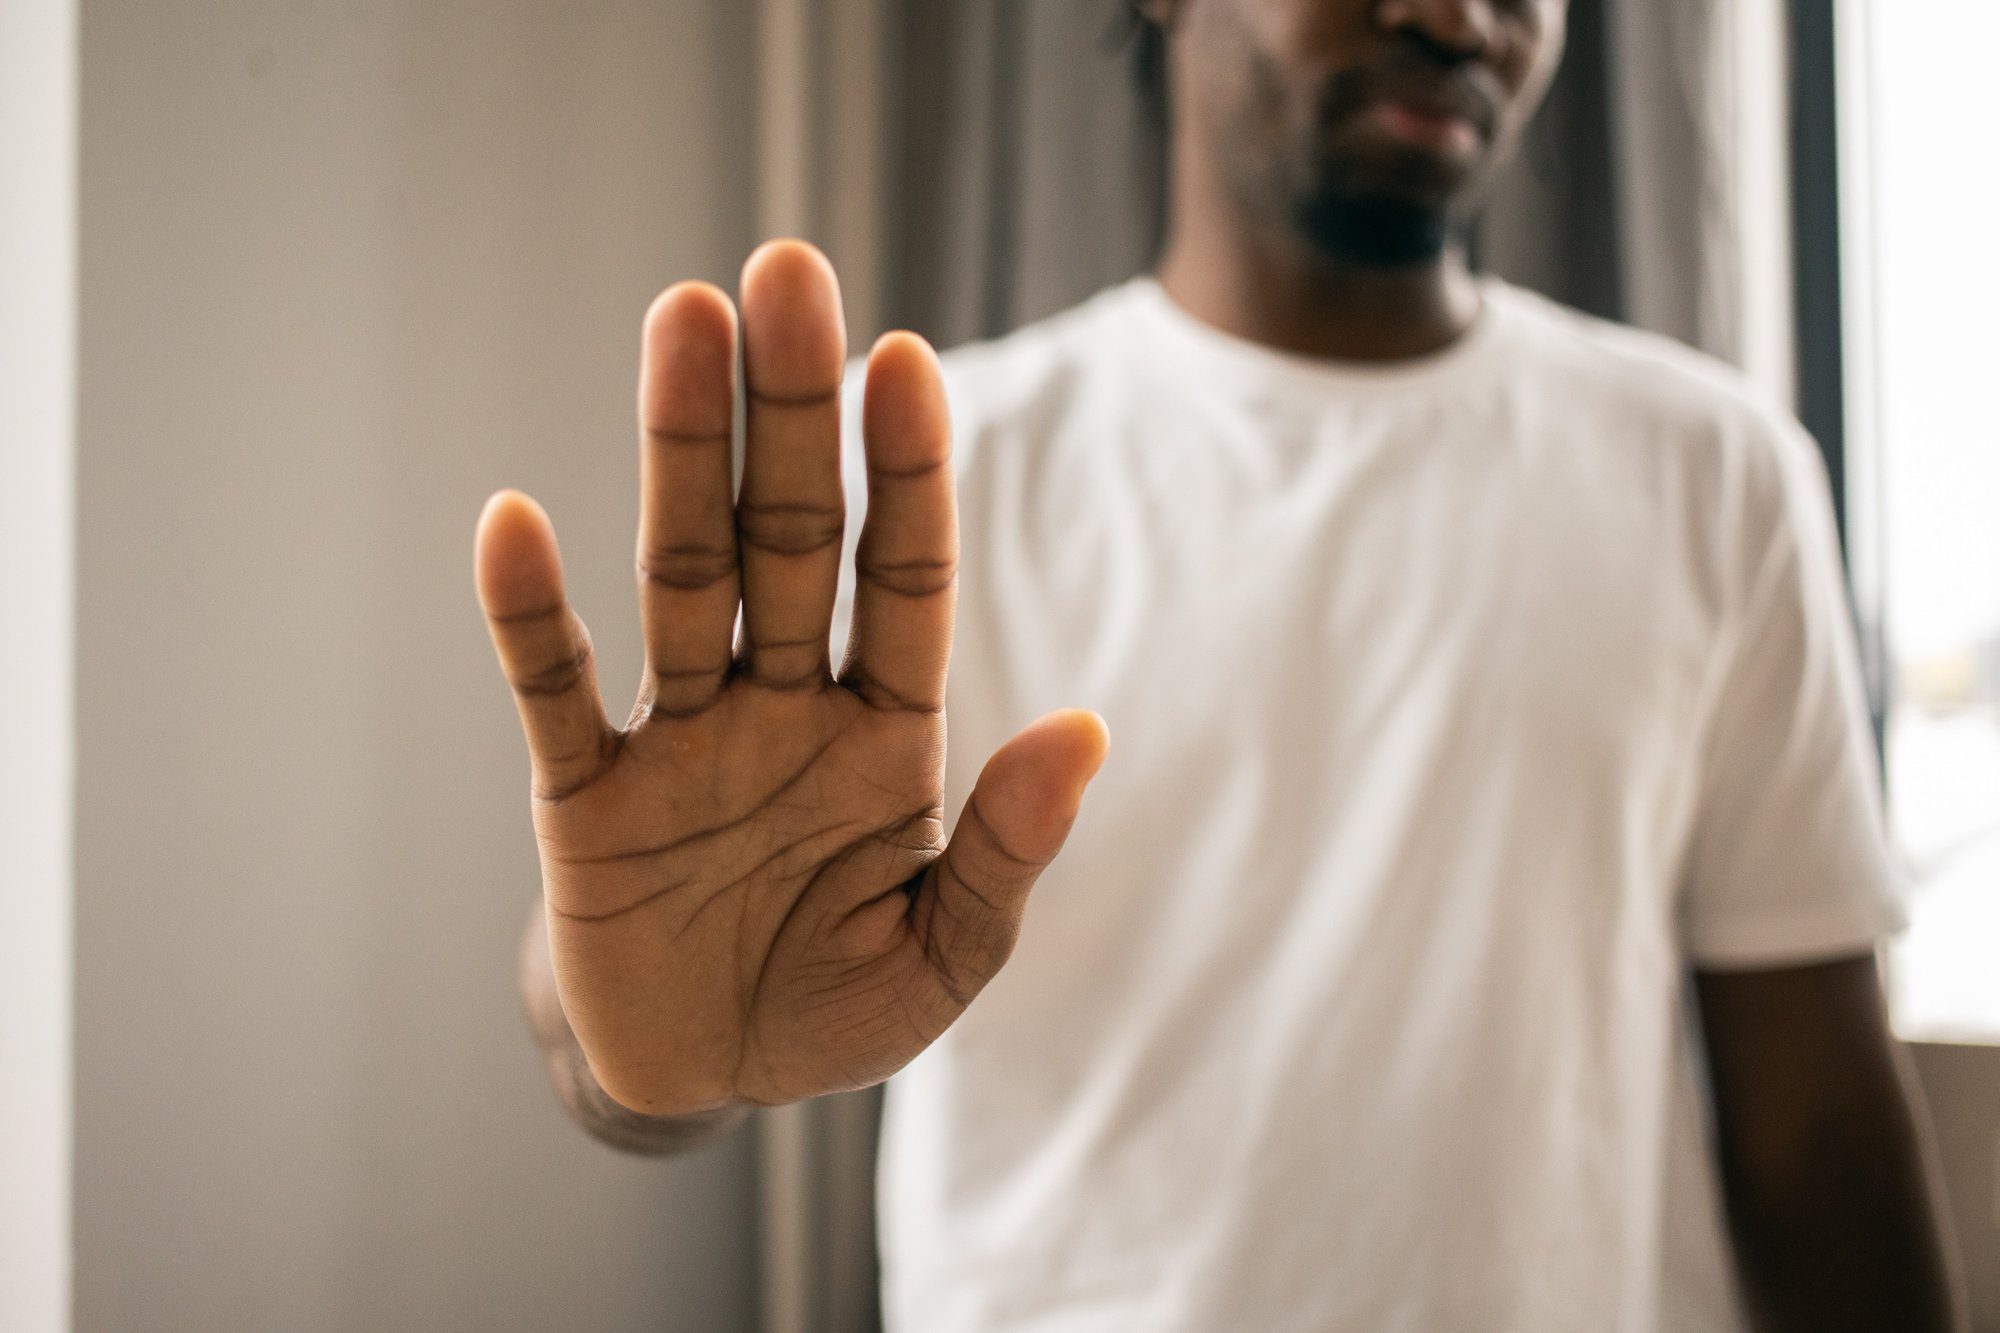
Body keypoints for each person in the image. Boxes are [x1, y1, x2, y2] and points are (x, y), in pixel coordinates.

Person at [473, 1, 1967, 1328]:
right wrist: (636, 1042)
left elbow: (1818, 1140)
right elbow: (631, 1004)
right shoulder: (921, 477)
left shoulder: (1713, 473)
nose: (1461, 17)